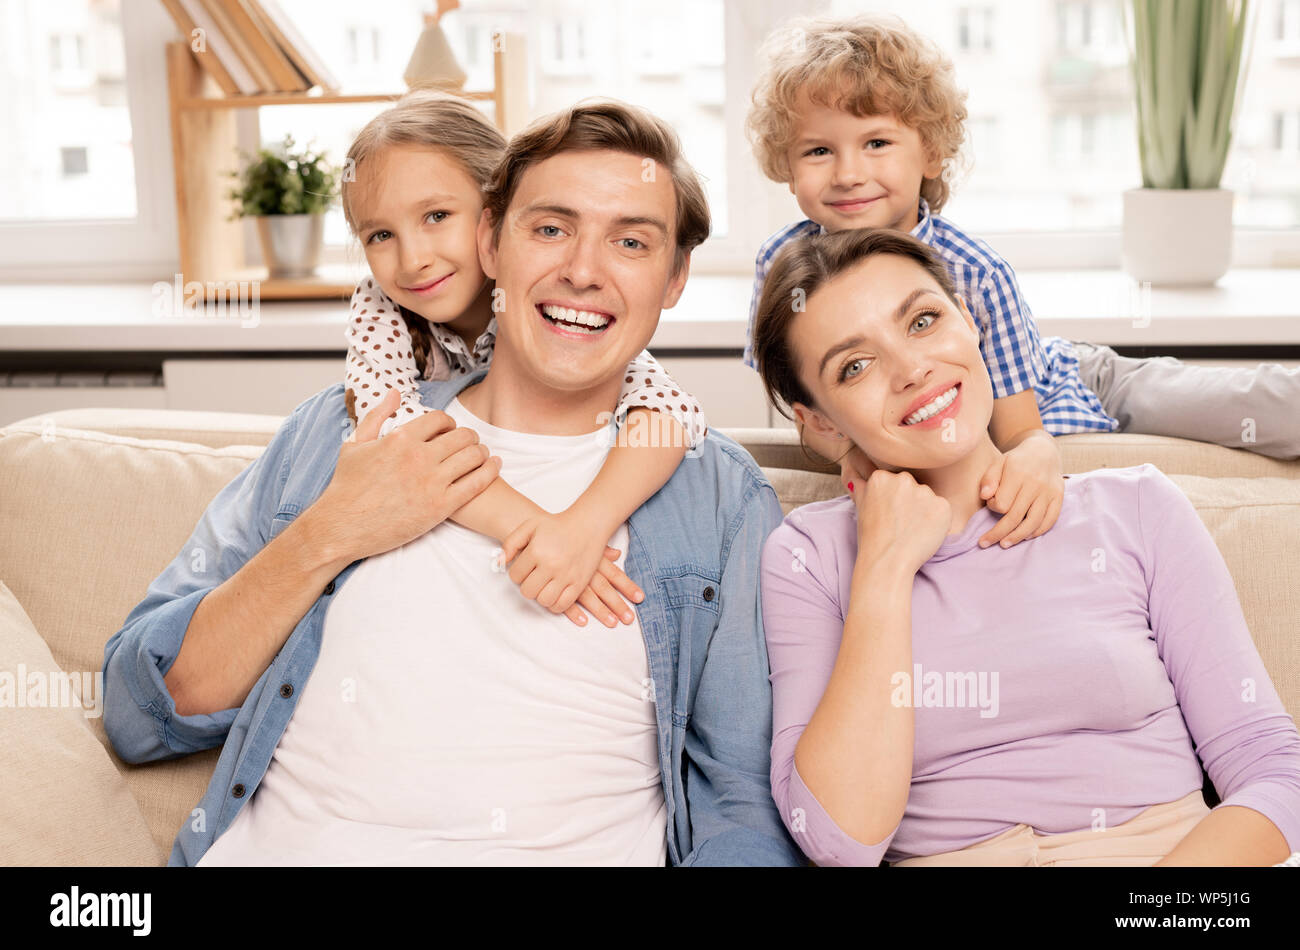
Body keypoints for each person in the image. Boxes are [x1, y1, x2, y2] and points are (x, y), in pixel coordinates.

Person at [102, 100, 803, 867]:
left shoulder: (718, 498)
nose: (582, 269)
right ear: (492, 241)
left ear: (674, 279)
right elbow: (138, 715)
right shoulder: (336, 432)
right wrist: (331, 532)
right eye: (550, 228)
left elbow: (746, 808)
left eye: (631, 241)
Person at [753, 227, 1300, 866]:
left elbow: (1273, 772)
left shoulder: (1136, 508)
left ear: (971, 323)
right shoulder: (808, 556)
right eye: (855, 365)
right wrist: (885, 564)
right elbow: (840, 842)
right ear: (819, 420)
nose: (911, 370)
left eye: (924, 321)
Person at [743, 13, 1300, 550]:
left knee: (1253, 403)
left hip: (1070, 378)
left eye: (877, 143)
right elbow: (809, 411)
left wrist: (1034, 449)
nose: (848, 173)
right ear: (786, 167)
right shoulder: (782, 267)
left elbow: (1020, 431)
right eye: (818, 150)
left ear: (931, 153)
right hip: (1025, 378)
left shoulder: (977, 271)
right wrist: (848, 455)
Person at [339, 90, 708, 630]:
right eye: (380, 235)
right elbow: (392, 432)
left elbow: (671, 410)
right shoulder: (380, 304)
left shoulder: (557, 303)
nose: (413, 258)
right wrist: (540, 532)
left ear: (493, 218)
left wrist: (586, 526)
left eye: (437, 216)